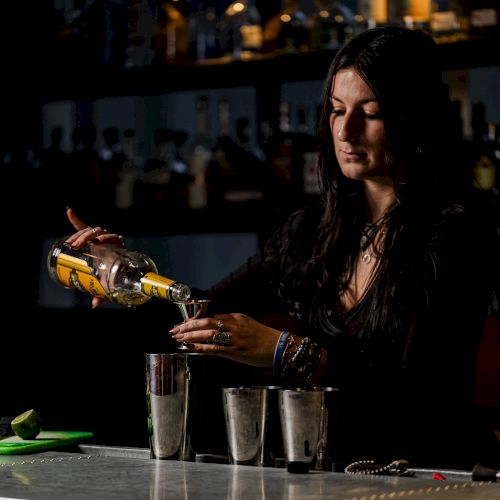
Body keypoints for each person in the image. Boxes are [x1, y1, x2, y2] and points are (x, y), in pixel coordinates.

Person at [64, 26, 499, 471]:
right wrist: (125, 276)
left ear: (413, 117)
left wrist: (287, 352)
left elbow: (417, 394)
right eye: (335, 110)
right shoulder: (310, 233)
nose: (345, 130)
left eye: (371, 112)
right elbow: (201, 312)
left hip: (432, 474)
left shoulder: (457, 232)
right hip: (328, 473)